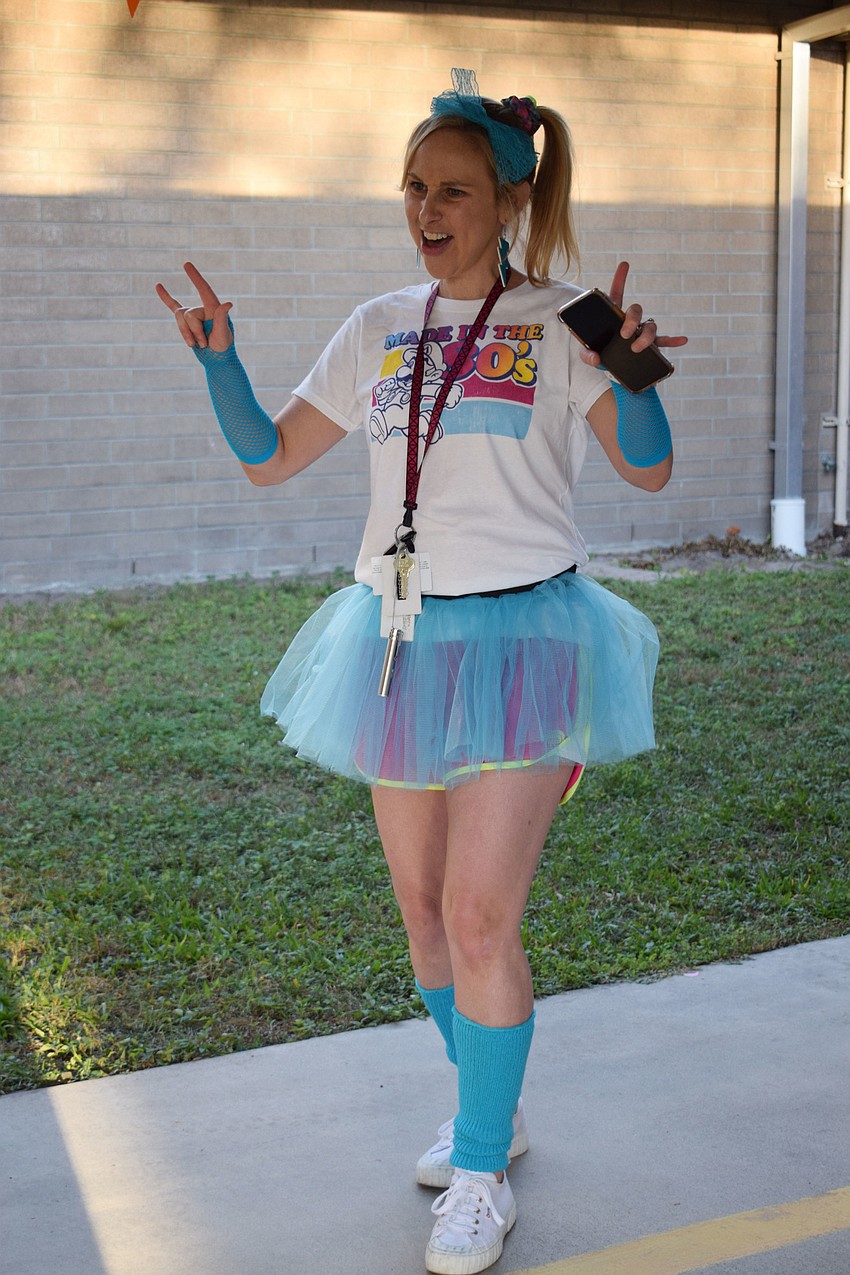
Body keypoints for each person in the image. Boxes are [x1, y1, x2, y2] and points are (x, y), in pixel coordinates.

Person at [156, 68, 686, 1275]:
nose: (425, 208)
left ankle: (483, 1167)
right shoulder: (377, 323)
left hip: (527, 641)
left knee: (480, 915)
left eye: (452, 188)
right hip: (398, 645)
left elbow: (648, 469)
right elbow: (270, 459)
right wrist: (219, 362)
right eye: (411, 186)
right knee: (422, 921)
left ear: (506, 200)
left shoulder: (569, 322)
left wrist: (641, 371)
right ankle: (487, 1110)